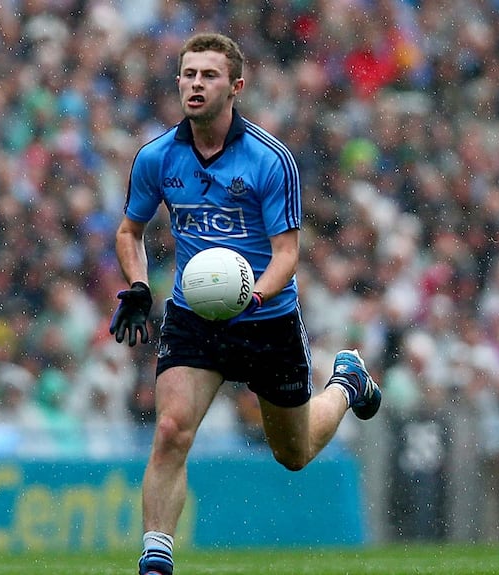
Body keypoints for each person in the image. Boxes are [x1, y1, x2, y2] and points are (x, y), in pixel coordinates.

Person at [108, 33, 381, 575]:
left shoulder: (270, 160)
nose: (194, 84)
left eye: (208, 76)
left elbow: (287, 255)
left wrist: (251, 295)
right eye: (188, 74)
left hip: (266, 318)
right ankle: (156, 558)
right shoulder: (156, 157)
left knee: (293, 454)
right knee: (170, 430)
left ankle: (346, 382)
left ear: (235, 87)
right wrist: (139, 286)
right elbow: (129, 231)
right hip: (192, 315)